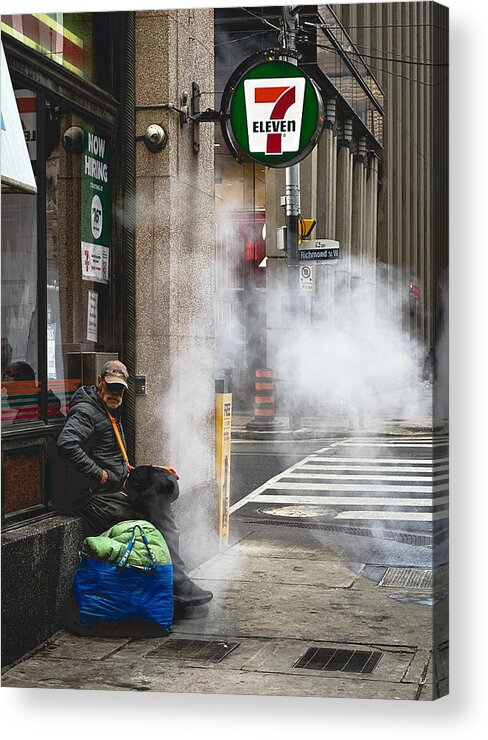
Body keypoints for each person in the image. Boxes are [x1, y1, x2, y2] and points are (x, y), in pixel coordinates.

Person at [56, 360, 213, 612]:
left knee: (159, 502)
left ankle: (173, 587)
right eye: (110, 387)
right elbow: (66, 444)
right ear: (100, 382)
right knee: (152, 522)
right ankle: (175, 588)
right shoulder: (88, 411)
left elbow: (109, 453)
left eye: (120, 389)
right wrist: (101, 475)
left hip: (111, 488)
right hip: (94, 496)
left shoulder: (108, 409)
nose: (115, 393)